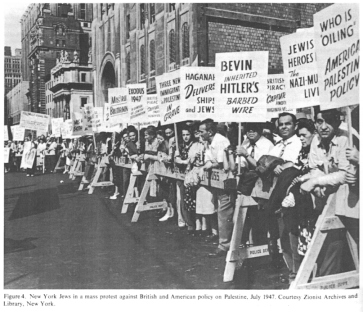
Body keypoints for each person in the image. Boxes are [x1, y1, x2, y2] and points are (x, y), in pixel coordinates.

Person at [297, 109, 356, 277]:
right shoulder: (316, 139)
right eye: (319, 121)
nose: (323, 126)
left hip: (350, 197)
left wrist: (316, 182)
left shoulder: (346, 138)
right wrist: (317, 184)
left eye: (328, 121)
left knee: (346, 240)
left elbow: (345, 174)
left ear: (337, 122)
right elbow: (315, 167)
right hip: (328, 195)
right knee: (328, 238)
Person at [265, 118, 316, 279]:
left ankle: (299, 272)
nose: (301, 139)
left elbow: (300, 170)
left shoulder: (310, 150)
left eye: (304, 135)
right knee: (287, 235)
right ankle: (293, 269)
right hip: (284, 194)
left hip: (303, 198)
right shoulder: (283, 146)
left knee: (297, 235)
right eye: (299, 136)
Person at [235, 122, 274, 246]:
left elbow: (262, 167)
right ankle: (247, 242)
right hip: (247, 182)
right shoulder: (245, 143)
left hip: (261, 183)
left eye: (254, 130)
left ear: (260, 130)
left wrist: (246, 154)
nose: (250, 133)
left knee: (259, 216)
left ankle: (259, 245)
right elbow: (241, 164)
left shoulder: (267, 145)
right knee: (246, 215)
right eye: (248, 130)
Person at [199, 119, 233, 258]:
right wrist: (209, 164)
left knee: (224, 212)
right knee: (219, 209)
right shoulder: (208, 142)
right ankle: (222, 239)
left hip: (226, 179)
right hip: (217, 181)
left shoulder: (220, 141)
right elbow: (208, 160)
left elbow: (219, 162)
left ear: (210, 131)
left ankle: (224, 244)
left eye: (202, 131)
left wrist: (210, 165)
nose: (200, 134)